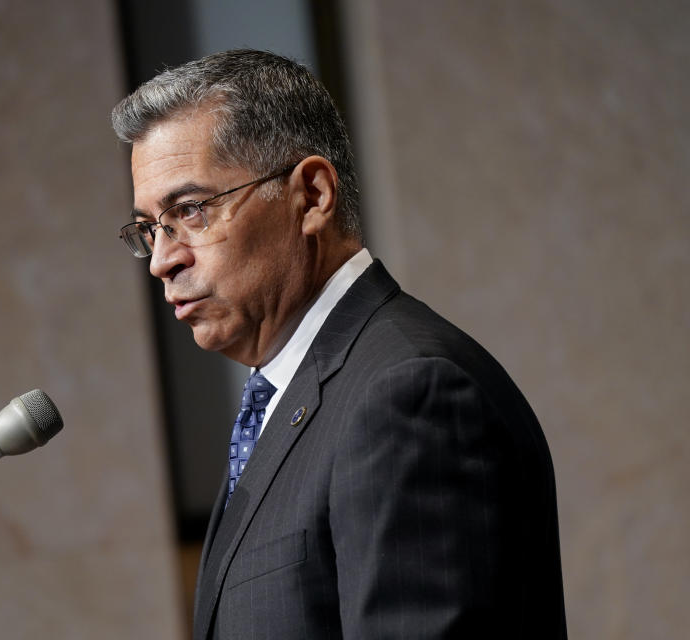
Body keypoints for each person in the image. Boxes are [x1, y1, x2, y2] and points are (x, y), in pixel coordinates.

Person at [112, 49, 567, 639]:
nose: (162, 260)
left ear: (313, 195)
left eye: (190, 210)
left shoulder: (408, 394)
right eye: (149, 229)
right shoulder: (285, 398)